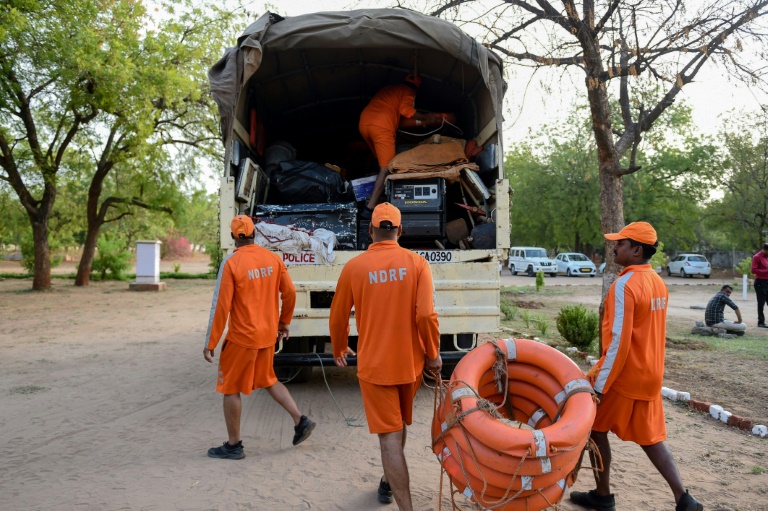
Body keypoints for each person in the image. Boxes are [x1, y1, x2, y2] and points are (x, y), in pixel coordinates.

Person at [571, 221, 703, 511]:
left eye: (620, 243)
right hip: (651, 375)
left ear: (636, 250)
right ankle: (684, 498)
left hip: (624, 377)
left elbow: (618, 343)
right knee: (650, 439)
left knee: (593, 429)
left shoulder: (625, 285)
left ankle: (602, 497)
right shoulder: (657, 282)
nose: (615, 247)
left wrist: (600, 387)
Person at [329, 203, 441, 510]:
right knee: (398, 427)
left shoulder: (355, 267)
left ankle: (405, 506)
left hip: (375, 367)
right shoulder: (417, 263)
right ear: (400, 231)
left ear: (371, 231)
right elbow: (426, 316)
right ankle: (387, 480)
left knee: (389, 437)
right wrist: (432, 353)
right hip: (410, 365)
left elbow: (338, 317)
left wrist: (339, 346)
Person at [203, 215, 315, 460]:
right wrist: (283, 322)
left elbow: (220, 306)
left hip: (242, 338)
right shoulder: (272, 259)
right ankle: (300, 420)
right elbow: (290, 292)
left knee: (231, 388)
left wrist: (210, 343)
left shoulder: (232, 262)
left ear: (234, 237)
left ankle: (233, 446)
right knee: (269, 380)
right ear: (255, 233)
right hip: (267, 336)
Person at [358, 74, 451, 214]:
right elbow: (407, 111)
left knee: (379, 160)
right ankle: (369, 208)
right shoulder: (408, 92)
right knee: (386, 168)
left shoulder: (390, 89)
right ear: (417, 87)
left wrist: (421, 122)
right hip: (382, 127)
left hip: (364, 123)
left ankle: (371, 193)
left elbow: (396, 116)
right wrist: (426, 118)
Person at [750, 243, 768, 328]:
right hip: (761, 282)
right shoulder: (757, 257)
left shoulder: (767, 257)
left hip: (767, 281)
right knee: (761, 302)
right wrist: (766, 271)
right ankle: (761, 322)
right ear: (765, 250)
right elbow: (753, 270)